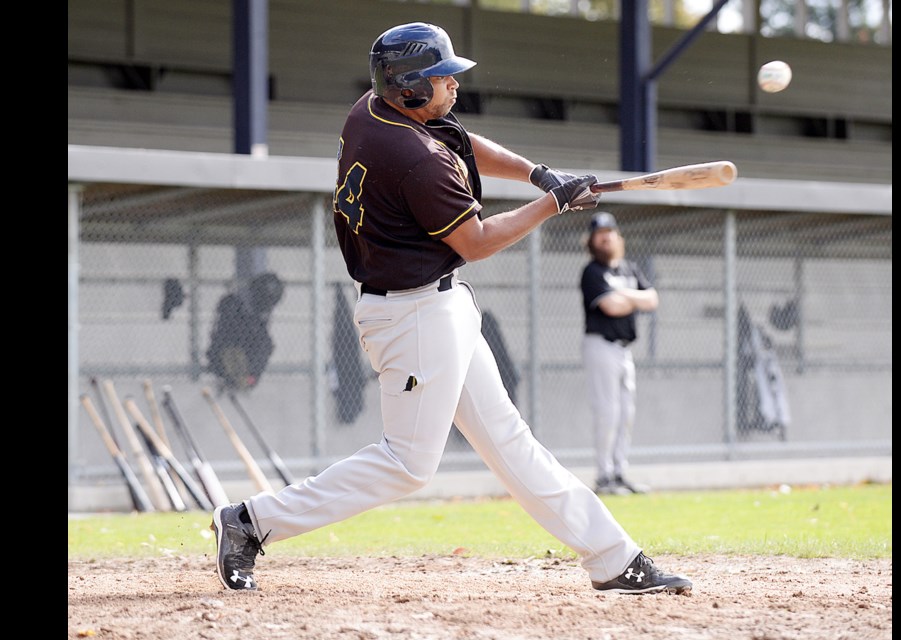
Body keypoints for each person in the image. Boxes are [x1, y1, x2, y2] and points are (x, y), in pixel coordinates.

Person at [211, 21, 691, 597]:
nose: (453, 86)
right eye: (442, 78)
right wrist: (549, 205)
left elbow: (462, 139)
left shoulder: (374, 107)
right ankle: (251, 522)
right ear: (410, 87)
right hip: (412, 318)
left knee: (510, 440)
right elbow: (478, 241)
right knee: (409, 464)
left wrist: (540, 174)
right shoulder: (414, 157)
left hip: (438, 306)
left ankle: (614, 558)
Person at [580, 212, 659, 495]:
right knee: (607, 412)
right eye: (600, 234)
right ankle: (604, 477)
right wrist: (634, 299)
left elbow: (652, 299)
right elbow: (610, 307)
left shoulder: (629, 268)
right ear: (592, 240)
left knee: (626, 412)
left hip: (625, 350)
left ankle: (619, 471)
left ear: (617, 236)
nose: (606, 237)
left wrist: (625, 296)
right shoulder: (592, 272)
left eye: (610, 232)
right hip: (600, 346)